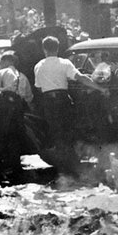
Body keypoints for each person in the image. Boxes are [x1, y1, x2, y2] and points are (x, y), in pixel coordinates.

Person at [33, 35, 106, 172]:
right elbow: (81, 77)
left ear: (44, 49)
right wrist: (100, 88)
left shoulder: (38, 66)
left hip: (48, 102)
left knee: (56, 132)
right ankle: (71, 164)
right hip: (62, 100)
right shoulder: (64, 63)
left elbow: (38, 87)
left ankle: (65, 165)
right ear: (58, 48)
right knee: (68, 130)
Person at [0, 51, 34, 181]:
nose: (0, 64)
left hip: (5, 107)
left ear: (8, 62)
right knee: (14, 139)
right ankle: (16, 171)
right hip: (18, 109)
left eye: (2, 61)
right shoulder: (23, 77)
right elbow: (29, 98)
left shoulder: (2, 73)